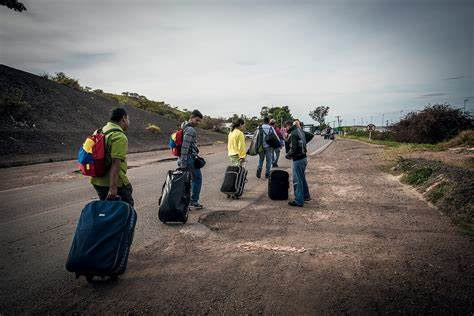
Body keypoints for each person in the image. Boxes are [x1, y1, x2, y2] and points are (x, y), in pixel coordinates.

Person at [91, 108, 134, 206]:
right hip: (114, 184)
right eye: (128, 119)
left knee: (107, 212)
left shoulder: (98, 132)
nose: (128, 122)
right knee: (125, 211)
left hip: (97, 181)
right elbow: (116, 162)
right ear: (124, 118)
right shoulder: (119, 136)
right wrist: (113, 187)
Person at [178, 110, 204, 209]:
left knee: (187, 181)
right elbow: (185, 147)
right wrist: (183, 163)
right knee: (197, 179)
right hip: (188, 159)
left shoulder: (183, 126)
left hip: (183, 159)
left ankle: (185, 202)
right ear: (191, 117)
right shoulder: (191, 130)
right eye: (197, 120)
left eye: (199, 121)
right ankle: (193, 202)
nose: (198, 123)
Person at [285, 120, 310, 207]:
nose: (285, 129)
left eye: (286, 127)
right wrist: (303, 144)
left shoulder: (294, 133)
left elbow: (294, 149)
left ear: (289, 126)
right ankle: (306, 196)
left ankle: (299, 200)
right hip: (304, 158)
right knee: (302, 178)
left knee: (297, 180)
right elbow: (311, 135)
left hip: (298, 160)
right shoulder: (300, 131)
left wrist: (287, 155)